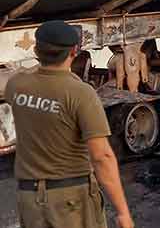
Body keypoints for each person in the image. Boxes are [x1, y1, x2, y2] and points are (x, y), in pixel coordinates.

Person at [2, 21, 134, 228]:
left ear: (36, 50)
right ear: (74, 51)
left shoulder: (16, 85)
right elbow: (102, 156)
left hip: (29, 197)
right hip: (71, 200)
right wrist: (123, 212)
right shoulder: (80, 93)